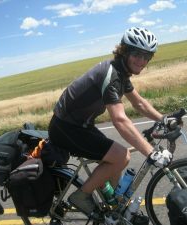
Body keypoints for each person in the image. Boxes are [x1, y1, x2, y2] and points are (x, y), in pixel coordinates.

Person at [48, 27, 172, 216]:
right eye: (137, 54)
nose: (142, 61)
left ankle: (112, 207)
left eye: (147, 56)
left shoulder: (121, 72)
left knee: (117, 158)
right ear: (125, 51)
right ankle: (81, 196)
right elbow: (120, 120)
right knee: (121, 156)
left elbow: (139, 103)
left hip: (80, 126)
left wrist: (164, 119)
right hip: (65, 128)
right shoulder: (112, 75)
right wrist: (150, 152)